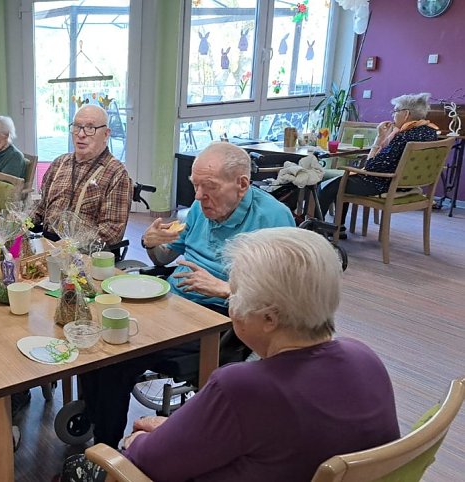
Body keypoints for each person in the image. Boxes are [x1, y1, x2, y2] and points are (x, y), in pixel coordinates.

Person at [63, 228, 400, 482]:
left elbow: (150, 462)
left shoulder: (242, 386)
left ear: (269, 319)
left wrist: (136, 442)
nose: (230, 301)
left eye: (234, 293)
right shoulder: (366, 359)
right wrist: (177, 430)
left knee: (86, 465)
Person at [78, 142, 295, 448]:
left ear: (242, 184)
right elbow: (163, 259)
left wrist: (227, 289)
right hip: (174, 304)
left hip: (222, 323)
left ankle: (106, 447)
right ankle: (95, 416)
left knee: (117, 356)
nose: (198, 196)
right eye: (195, 186)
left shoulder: (274, 219)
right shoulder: (199, 208)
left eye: (209, 187)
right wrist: (151, 241)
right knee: (100, 331)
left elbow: (285, 299)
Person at [317, 92, 438, 225]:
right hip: (407, 185)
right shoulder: (430, 132)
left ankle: (316, 229)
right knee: (341, 181)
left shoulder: (402, 136)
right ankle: (337, 228)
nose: (393, 115)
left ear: (406, 114)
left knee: (330, 185)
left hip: (384, 184)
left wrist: (379, 138)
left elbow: (371, 167)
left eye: (395, 111)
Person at [33, 104, 132, 246]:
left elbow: (112, 231)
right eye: (77, 127)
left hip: (84, 254)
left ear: (106, 134)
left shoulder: (116, 173)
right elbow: (41, 206)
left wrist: (72, 244)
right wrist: (21, 221)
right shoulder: (59, 163)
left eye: (90, 128)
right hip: (47, 245)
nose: (81, 134)